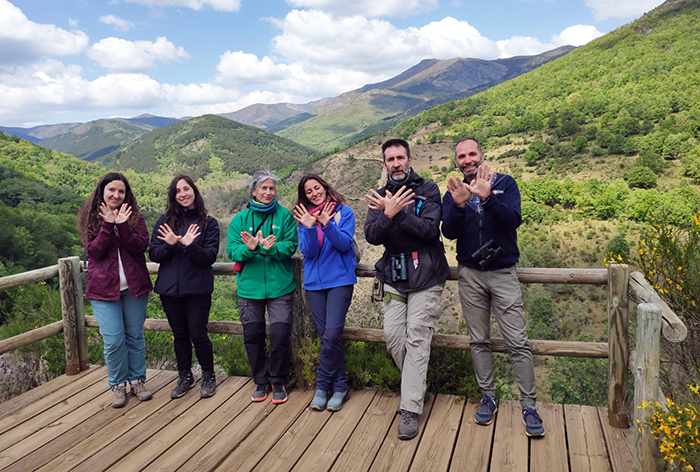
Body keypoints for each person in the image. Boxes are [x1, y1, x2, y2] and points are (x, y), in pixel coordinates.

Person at [441, 137, 545, 437]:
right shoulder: (454, 191)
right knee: (479, 340)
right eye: (461, 156)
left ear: (482, 155)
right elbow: (448, 232)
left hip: (503, 273)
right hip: (470, 274)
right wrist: (459, 205)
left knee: (517, 340)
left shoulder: (505, 184)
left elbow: (513, 220)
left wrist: (488, 198)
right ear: (457, 161)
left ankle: (528, 405)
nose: (467, 159)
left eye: (472, 153)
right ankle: (488, 397)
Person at [364, 138, 450, 440]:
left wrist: (398, 213)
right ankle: (417, 387)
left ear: (409, 159)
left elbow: (429, 231)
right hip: (394, 275)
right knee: (393, 336)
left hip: (427, 273)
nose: (396, 163)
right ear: (385, 164)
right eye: (390, 159)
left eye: (401, 157)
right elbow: (372, 235)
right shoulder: (379, 196)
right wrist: (387, 213)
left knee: (417, 335)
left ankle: (410, 409)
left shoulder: (427, 190)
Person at [77, 172, 153, 408]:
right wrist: (108, 225)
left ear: (126, 194)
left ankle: (137, 380)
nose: (116, 195)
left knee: (135, 337)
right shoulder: (90, 218)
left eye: (121, 191)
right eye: (112, 190)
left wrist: (124, 225)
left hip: (134, 288)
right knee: (113, 340)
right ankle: (118, 385)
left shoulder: (134, 217)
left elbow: (140, 247)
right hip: (103, 291)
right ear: (102, 191)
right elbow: (95, 251)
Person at [226, 169, 298, 404]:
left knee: (279, 334)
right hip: (249, 289)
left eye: (272, 189)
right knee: (252, 335)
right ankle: (260, 381)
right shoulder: (240, 220)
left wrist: (271, 249)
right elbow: (232, 251)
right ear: (254, 191)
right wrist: (252, 248)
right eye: (264, 188)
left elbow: (290, 247)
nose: (268, 192)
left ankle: (278, 381)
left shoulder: (285, 216)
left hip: (280, 287)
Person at [149, 175, 220, 399]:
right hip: (170, 291)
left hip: (198, 290)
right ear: (173, 196)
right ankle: (185, 376)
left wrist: (190, 246)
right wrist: (170, 245)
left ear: (194, 191)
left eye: (186, 189)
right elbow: (154, 254)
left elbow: (209, 257)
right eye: (178, 191)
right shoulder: (164, 221)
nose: (183, 194)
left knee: (198, 334)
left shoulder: (208, 222)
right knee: (179, 335)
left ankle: (208, 376)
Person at [293, 174, 357, 412]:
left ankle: (322, 386)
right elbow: (308, 252)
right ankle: (340, 387)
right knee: (328, 338)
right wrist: (309, 227)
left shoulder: (344, 212)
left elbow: (343, 243)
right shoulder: (304, 218)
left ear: (325, 187)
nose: (313, 193)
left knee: (331, 335)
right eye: (308, 191)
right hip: (313, 285)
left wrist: (327, 224)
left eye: (316, 188)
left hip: (339, 281)